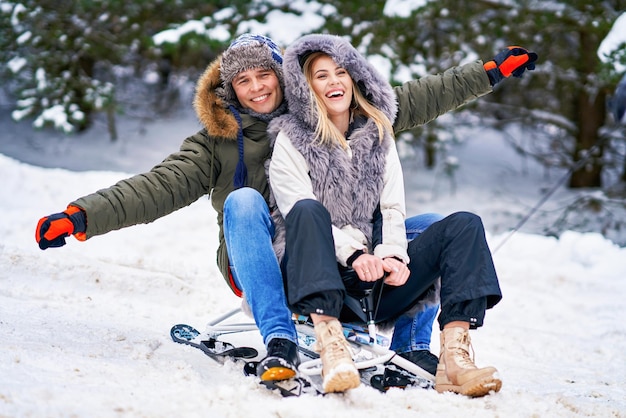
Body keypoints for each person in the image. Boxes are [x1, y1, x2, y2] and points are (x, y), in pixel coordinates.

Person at [34, 32, 536, 390]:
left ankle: (411, 347)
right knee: (245, 199)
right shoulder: (216, 142)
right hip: (261, 255)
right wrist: (81, 217)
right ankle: (280, 335)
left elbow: (409, 99)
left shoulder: (314, 112)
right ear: (229, 91)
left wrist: (488, 73)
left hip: (335, 245)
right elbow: (154, 186)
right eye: (243, 81)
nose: (256, 88)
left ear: (281, 76)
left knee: (427, 227)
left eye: (263, 75)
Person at [268, 34, 536, 396]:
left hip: (369, 286)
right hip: (312, 279)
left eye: (341, 71)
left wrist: (391, 254)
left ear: (355, 77)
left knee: (463, 225)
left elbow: (392, 208)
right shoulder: (290, 138)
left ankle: (454, 356)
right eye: (321, 75)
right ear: (306, 87)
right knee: (308, 209)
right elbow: (294, 205)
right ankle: (332, 345)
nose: (334, 82)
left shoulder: (378, 132)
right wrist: (354, 254)